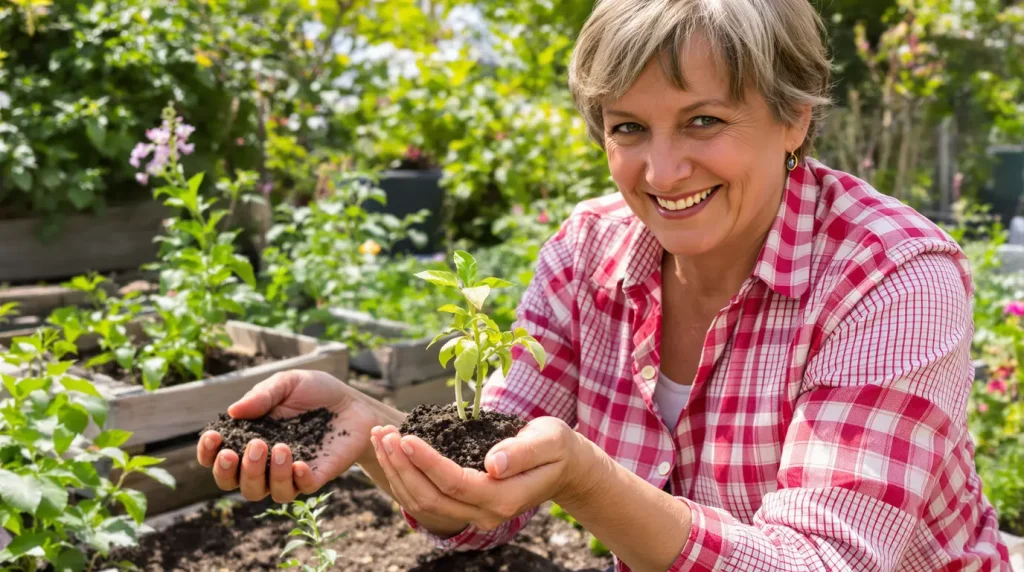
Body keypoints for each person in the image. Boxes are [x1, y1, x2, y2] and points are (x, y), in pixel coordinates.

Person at [197, 0, 1012, 569]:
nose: (662, 171)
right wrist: (373, 430)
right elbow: (490, 493)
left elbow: (825, 562)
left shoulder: (890, 277)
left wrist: (587, 479)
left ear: (794, 116)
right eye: (629, 128)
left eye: (703, 120)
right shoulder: (589, 251)